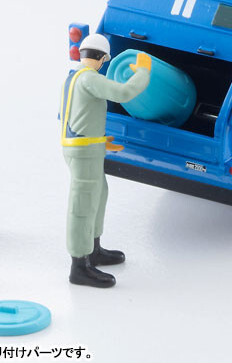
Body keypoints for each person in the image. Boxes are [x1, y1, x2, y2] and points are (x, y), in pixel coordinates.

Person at [60, 33, 151, 287]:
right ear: (102, 58)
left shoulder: (73, 78)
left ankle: (93, 250)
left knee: (98, 195)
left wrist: (100, 141)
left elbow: (76, 116)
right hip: (83, 150)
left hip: (86, 146)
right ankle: (79, 266)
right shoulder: (89, 78)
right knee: (83, 205)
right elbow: (124, 92)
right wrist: (143, 72)